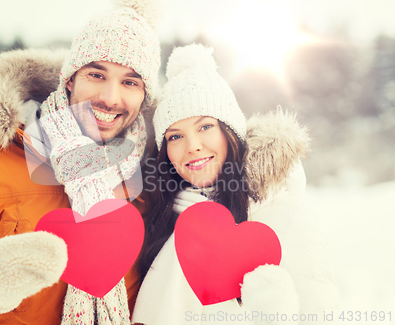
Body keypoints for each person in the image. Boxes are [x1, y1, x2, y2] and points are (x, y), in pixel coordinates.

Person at [0, 0, 161, 324]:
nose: (110, 96)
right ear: (69, 80)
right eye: (96, 74)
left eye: (130, 81)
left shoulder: (150, 173)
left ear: (145, 95)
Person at [131, 44, 339, 325]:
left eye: (205, 127)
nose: (192, 147)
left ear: (230, 132)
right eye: (175, 136)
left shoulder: (285, 215)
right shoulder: (163, 219)